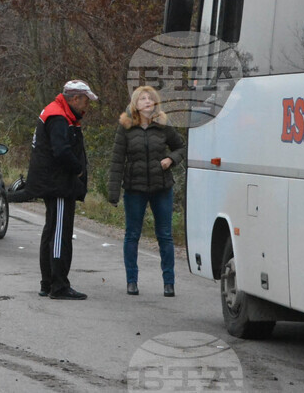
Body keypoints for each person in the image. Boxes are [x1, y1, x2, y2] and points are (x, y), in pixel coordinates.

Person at [107, 85, 186, 298]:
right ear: (135, 103)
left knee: (165, 236)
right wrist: (113, 193)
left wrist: (171, 159)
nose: (148, 102)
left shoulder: (163, 125)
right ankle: (131, 281)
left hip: (162, 188)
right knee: (132, 235)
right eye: (143, 99)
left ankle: (169, 283)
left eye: (151, 98)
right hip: (135, 189)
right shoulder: (126, 127)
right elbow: (117, 161)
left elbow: (181, 147)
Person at [24, 79, 97, 300]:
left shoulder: (58, 112)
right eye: (85, 101)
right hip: (59, 185)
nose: (87, 106)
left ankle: (47, 283)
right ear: (74, 99)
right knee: (59, 234)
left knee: (51, 231)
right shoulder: (58, 116)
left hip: (53, 182)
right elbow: (62, 151)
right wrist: (78, 170)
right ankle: (58, 285)